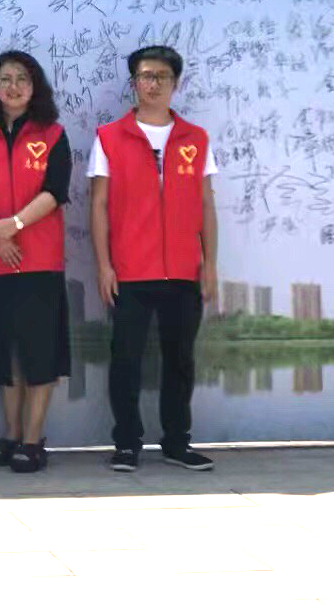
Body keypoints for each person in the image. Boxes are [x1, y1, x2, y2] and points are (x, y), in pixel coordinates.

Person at [88, 44, 218, 473]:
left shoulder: (196, 139)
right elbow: (98, 205)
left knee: (180, 360)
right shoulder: (110, 137)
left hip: (183, 269)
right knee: (126, 359)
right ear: (134, 83)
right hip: (130, 270)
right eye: (146, 76)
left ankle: (177, 442)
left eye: (162, 76)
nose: (154, 84)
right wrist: (104, 265)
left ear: (175, 83)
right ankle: (127, 443)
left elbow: (206, 205)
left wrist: (209, 264)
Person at [0, 51, 72, 473]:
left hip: (39, 261)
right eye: (5, 79)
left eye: (22, 78)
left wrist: (15, 224)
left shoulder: (53, 134)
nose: (13, 87)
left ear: (35, 85)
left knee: (40, 354)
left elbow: (55, 190)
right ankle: (10, 432)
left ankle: (33, 438)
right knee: (3, 357)